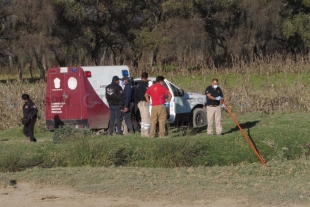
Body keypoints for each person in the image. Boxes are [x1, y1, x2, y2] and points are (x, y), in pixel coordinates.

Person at [136, 72, 151, 137]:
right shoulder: (144, 84)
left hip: (139, 102)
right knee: (146, 118)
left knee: (143, 118)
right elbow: (146, 94)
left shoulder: (138, 84)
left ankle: (143, 133)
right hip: (144, 103)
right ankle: (146, 133)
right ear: (146, 77)